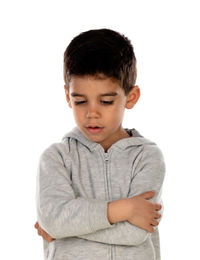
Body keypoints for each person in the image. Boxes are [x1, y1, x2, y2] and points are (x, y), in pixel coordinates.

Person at [34, 28, 165, 260]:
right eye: (80, 101)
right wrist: (122, 210)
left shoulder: (147, 157)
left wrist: (64, 228)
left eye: (106, 101)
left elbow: (135, 232)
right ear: (68, 97)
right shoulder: (56, 158)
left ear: (131, 97)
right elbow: (54, 220)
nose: (91, 113)